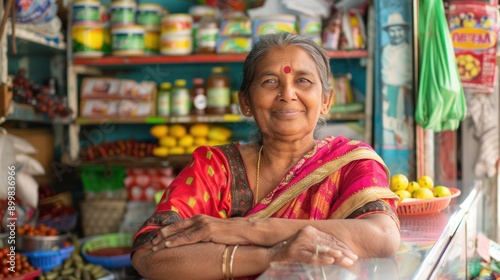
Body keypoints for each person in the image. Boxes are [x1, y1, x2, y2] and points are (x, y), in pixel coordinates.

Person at [131, 32, 401, 280]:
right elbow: (149, 256)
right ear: (245, 102)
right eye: (270, 81)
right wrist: (272, 256)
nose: (287, 94)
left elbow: (381, 238)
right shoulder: (215, 168)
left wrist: (244, 229)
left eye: (303, 81)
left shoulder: (351, 162)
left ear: (326, 102)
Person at [381, 12, 413, 147]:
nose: (396, 34)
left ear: (405, 31)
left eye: (399, 30)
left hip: (405, 94)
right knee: (389, 125)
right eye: (392, 31)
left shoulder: (409, 50)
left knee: (404, 127)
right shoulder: (386, 50)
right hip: (388, 93)